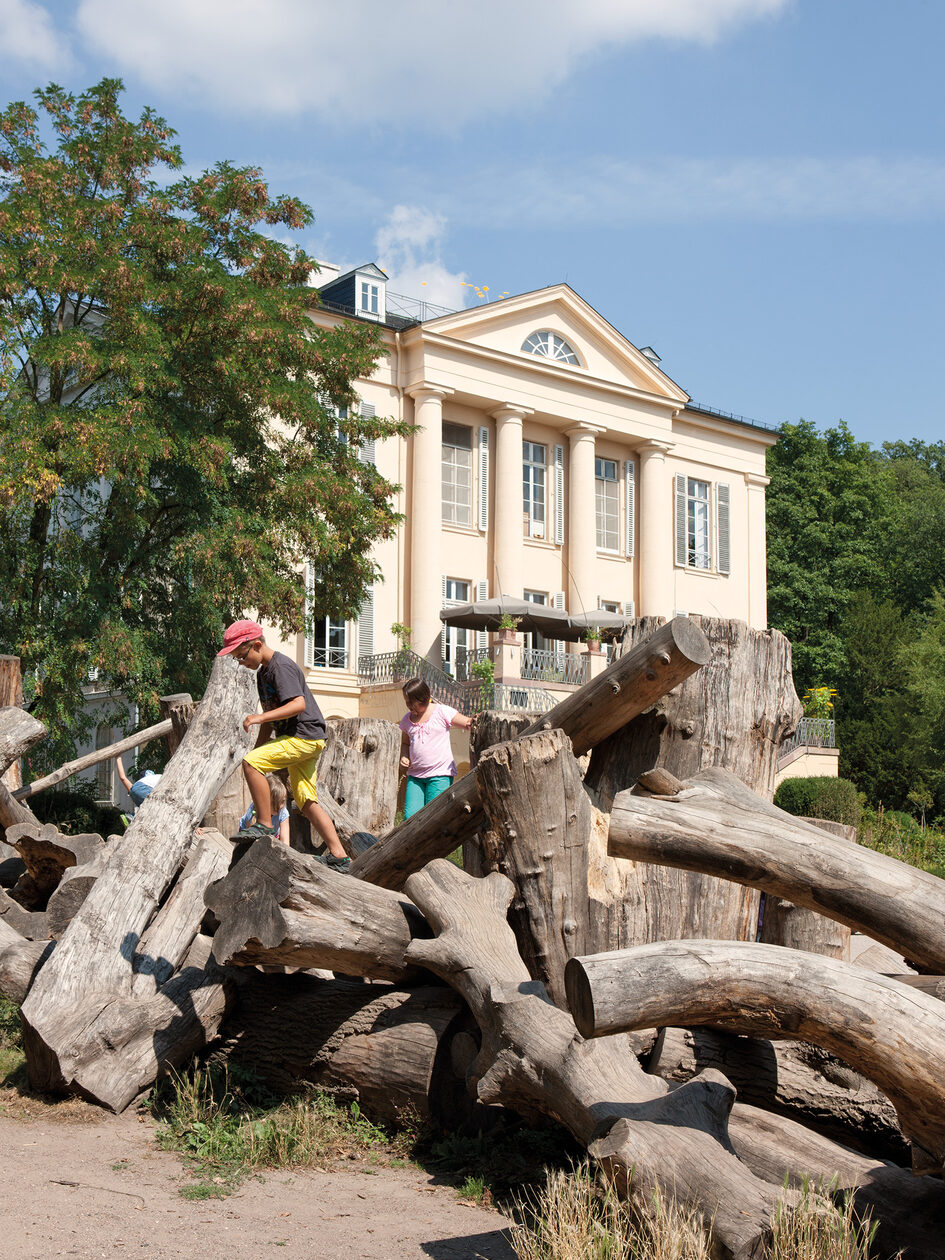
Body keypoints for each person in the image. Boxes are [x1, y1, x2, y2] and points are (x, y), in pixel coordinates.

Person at [219, 619, 350, 872]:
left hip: (304, 736)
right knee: (305, 799)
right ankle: (339, 855)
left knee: (252, 764)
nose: (241, 663)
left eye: (242, 656)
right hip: (305, 738)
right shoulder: (262, 674)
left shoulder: (281, 667)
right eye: (237, 659)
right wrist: (256, 750)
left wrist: (258, 719)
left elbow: (298, 704)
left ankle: (265, 824)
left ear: (257, 645)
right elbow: (271, 719)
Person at [398, 677, 472, 820]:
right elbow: (405, 743)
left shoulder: (442, 711)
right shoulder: (407, 720)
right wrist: (404, 756)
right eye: (407, 702)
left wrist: (474, 720)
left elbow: (467, 722)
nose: (409, 706)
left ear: (424, 698)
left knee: (434, 817)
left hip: (439, 774)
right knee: (410, 817)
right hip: (415, 776)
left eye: (412, 702)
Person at [237, 771, 291, 844]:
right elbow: (249, 839)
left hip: (272, 834)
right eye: (274, 803)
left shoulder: (283, 812)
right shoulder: (254, 811)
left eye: (282, 801)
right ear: (265, 801)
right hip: (248, 833)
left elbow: (285, 841)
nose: (279, 806)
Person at [115, 755, 162, 824]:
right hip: (148, 789)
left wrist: (118, 758)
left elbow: (123, 777)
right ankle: (136, 819)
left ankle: (132, 817)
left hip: (135, 790)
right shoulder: (159, 777)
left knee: (146, 806)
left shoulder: (137, 786)